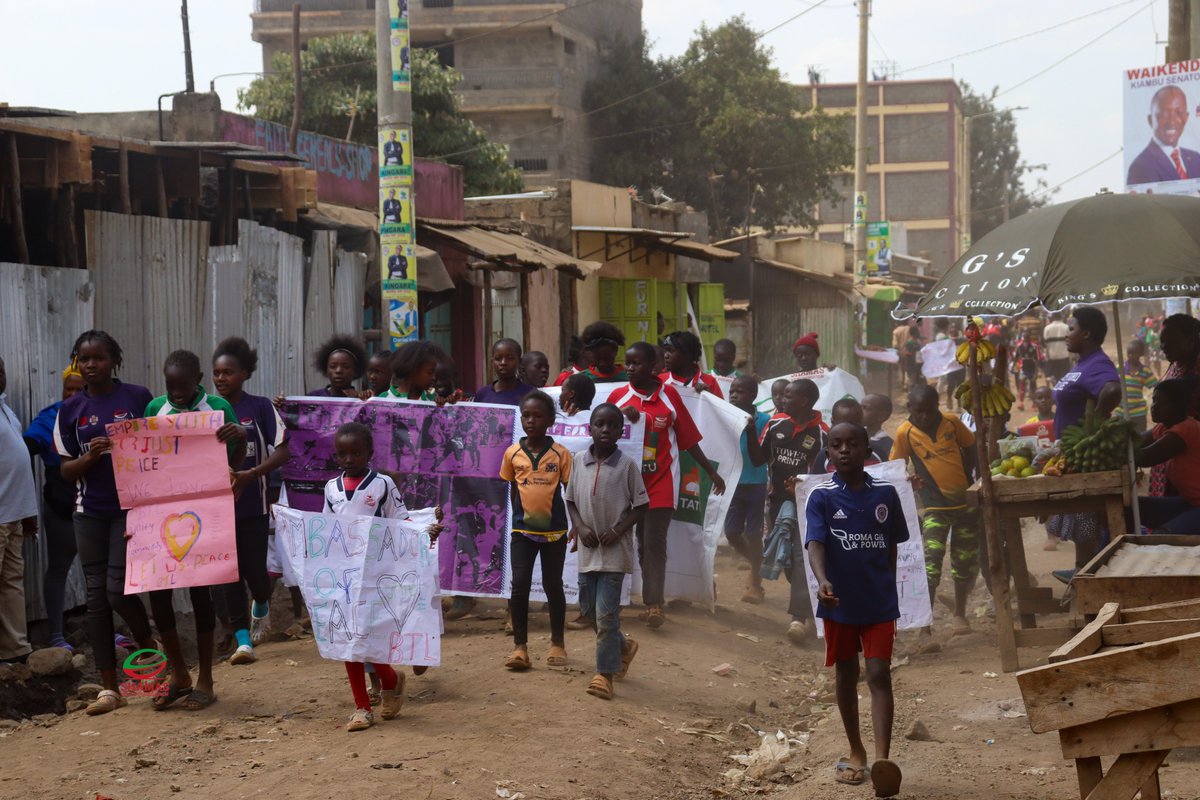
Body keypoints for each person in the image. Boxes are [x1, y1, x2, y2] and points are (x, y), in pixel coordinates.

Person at [54, 331, 160, 715]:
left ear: (114, 360)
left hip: (129, 509)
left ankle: (147, 644)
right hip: (89, 512)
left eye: (98, 358)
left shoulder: (137, 398)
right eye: (84, 359)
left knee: (117, 590)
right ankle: (110, 689)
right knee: (96, 599)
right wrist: (90, 458)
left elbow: (162, 446)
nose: (91, 365)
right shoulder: (70, 410)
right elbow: (65, 470)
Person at [806, 422, 909, 798]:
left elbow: (892, 545)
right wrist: (822, 580)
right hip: (839, 603)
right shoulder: (821, 496)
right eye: (837, 445)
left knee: (879, 673)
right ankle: (856, 750)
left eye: (852, 444)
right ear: (828, 453)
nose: (845, 450)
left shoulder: (886, 494)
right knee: (847, 674)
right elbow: (815, 543)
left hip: (879, 602)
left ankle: (883, 762)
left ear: (867, 448)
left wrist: (888, 586)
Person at [142, 350, 247, 711]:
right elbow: (143, 466)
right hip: (161, 516)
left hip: (204, 513)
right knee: (159, 596)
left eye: (183, 386)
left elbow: (235, 463)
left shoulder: (217, 408)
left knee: (201, 594)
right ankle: (178, 674)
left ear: (198, 380)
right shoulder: (155, 408)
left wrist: (240, 437)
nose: (176, 393)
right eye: (170, 385)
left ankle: (206, 678)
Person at [321, 422, 439, 731]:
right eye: (342, 454)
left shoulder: (383, 484)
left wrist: (423, 533)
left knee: (369, 636)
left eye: (355, 453)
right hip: (346, 575)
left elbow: (400, 521)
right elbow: (326, 528)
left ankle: (389, 679)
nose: (349, 459)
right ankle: (362, 706)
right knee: (349, 638)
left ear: (370, 453)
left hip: (377, 573)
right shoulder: (331, 488)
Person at [608, 342, 725, 628]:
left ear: (654, 367)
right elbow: (598, 431)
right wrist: (621, 418)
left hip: (660, 482)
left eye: (636, 363)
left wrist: (711, 472)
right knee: (627, 540)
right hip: (624, 484)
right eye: (627, 363)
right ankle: (612, 601)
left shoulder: (669, 395)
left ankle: (654, 604)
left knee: (653, 542)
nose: (630, 368)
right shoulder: (618, 397)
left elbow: (688, 438)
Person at [211, 337, 291, 666]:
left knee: (256, 575)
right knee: (228, 574)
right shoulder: (206, 411)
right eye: (217, 372)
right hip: (216, 512)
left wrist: (253, 474)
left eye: (228, 372)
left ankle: (261, 601)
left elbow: (284, 451)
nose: (221, 378)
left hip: (253, 508)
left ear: (244, 374)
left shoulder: (259, 407)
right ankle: (243, 641)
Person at [565, 403, 649, 700]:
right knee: (590, 613)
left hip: (615, 553)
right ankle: (624, 647)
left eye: (612, 425)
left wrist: (617, 530)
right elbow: (570, 500)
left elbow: (641, 506)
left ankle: (604, 675)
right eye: (599, 424)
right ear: (590, 428)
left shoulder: (627, 466)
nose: (605, 429)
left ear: (620, 431)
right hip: (588, 552)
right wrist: (580, 527)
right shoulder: (578, 461)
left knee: (606, 615)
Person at [890, 384, 978, 636]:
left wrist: (973, 478)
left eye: (929, 410)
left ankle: (960, 613)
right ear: (909, 408)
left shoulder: (951, 422)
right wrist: (909, 483)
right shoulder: (905, 432)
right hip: (935, 508)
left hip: (966, 505)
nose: (925, 416)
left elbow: (971, 446)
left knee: (964, 561)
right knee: (930, 564)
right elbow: (895, 467)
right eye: (919, 411)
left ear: (937, 406)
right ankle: (925, 627)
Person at [499, 391, 572, 671]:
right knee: (520, 585)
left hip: (555, 533)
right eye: (526, 415)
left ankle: (557, 643)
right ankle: (520, 647)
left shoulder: (561, 454)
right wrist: (520, 520)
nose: (531, 421)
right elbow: (512, 488)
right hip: (522, 532)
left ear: (551, 420)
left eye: (538, 416)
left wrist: (576, 525)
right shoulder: (512, 453)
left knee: (553, 585)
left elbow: (570, 493)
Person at [1049, 306, 1122, 579]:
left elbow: (1112, 389)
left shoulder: (1098, 363)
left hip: (1084, 453)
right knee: (1080, 511)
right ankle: (1084, 569)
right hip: (1068, 451)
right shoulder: (1082, 363)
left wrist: (1095, 425)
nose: (1066, 334)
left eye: (1071, 329)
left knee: (1087, 514)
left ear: (1087, 333)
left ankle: (1088, 572)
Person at [752, 378, 827, 642]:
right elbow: (758, 459)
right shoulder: (775, 424)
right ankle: (809, 606)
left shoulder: (823, 433)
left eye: (788, 396)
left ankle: (799, 618)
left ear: (804, 401)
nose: (782, 400)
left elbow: (828, 473)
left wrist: (805, 487)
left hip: (808, 506)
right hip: (777, 503)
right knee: (785, 559)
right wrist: (748, 430)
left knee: (800, 556)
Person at [22, 364, 86, 651]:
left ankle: (107, 632)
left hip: (94, 508)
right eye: (68, 388)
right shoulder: (50, 417)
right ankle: (57, 636)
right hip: (61, 507)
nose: (72, 394)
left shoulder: (98, 415)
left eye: (79, 389)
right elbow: (28, 444)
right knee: (58, 569)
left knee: (100, 573)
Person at [0, 357, 38, 664]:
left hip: (13, 514)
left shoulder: (6, 410)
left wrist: (28, 511)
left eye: (0, 370)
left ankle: (15, 650)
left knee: (12, 582)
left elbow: (17, 465)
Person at [726, 375, 771, 604]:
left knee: (754, 534)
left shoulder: (765, 420)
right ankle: (758, 563)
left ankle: (755, 582)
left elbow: (765, 453)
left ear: (753, 395)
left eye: (740, 391)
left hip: (756, 484)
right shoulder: (725, 416)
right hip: (732, 483)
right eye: (732, 391)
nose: (734, 395)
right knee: (732, 532)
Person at [1135, 379, 1200, 532]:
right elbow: (1136, 441)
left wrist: (1116, 452)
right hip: (1190, 503)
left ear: (1177, 406)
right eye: (1154, 400)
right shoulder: (1164, 427)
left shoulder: (1187, 429)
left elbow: (1146, 457)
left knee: (1161, 536)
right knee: (1128, 508)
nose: (1154, 407)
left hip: (1197, 506)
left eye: (1161, 403)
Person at [1150, 314, 1200, 498]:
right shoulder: (1176, 363)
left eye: (1170, 342)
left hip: (1190, 456)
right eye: (1162, 341)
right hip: (1168, 448)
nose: (1163, 347)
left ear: (1190, 340)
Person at [1127, 85, 1200, 184]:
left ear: (1186, 117)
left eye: (1178, 113)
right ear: (1150, 120)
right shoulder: (1140, 167)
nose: (1172, 122)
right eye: (1163, 114)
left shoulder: (1195, 158)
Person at [660, 331, 723, 398]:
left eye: (671, 351)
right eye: (665, 351)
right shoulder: (660, 381)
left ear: (687, 354)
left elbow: (719, 404)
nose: (665, 356)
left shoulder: (710, 382)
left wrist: (708, 396)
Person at [474, 339, 534, 405]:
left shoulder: (531, 394)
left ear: (519, 361)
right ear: (492, 362)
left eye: (510, 358)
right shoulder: (482, 394)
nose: (503, 363)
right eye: (498, 358)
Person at [1122, 338, 1158, 434]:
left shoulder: (1145, 371)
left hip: (1138, 413)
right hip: (1122, 412)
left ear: (1140, 354)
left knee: (1140, 437)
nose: (1130, 356)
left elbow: (1156, 386)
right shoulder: (1120, 369)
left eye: (1133, 353)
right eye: (1129, 353)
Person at [1010, 330, 1042, 412]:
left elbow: (1037, 359)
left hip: (1032, 367)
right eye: (1024, 336)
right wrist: (1014, 368)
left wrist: (1037, 371)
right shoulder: (1019, 346)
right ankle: (1021, 403)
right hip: (1023, 367)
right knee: (1022, 385)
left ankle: (1034, 404)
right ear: (1023, 337)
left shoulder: (1034, 346)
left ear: (1029, 337)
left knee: (1033, 386)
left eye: (1027, 336)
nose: (1025, 338)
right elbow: (1016, 358)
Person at [861, 393, 894, 462]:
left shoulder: (888, 447)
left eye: (865, 408)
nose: (859, 411)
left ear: (881, 416)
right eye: (860, 407)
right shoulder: (854, 436)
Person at [1042, 314, 1071, 385]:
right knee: (1064, 380)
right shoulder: (1066, 327)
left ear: (1052, 318)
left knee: (1055, 379)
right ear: (1061, 317)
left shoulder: (1047, 328)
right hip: (1064, 356)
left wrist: (1047, 357)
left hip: (1052, 357)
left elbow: (1046, 345)